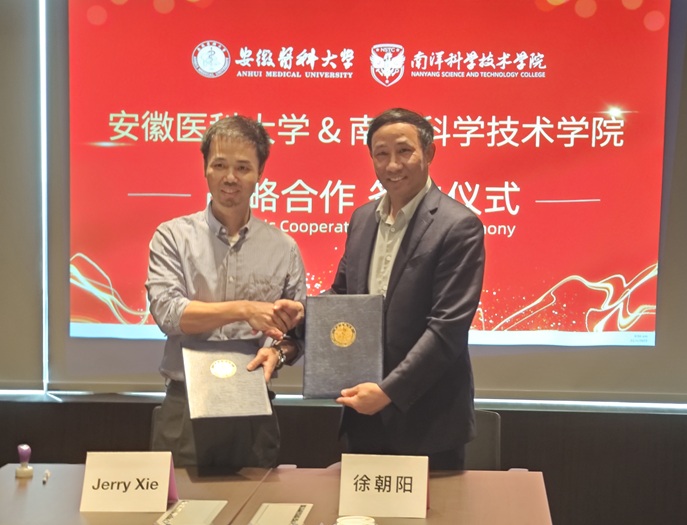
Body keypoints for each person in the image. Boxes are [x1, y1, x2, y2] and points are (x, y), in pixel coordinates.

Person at [146, 115, 306, 469]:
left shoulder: (283, 247)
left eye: (243, 167)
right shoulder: (172, 237)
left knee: (258, 503)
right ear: (205, 168)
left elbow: (296, 337)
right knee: (180, 505)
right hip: (186, 406)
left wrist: (279, 353)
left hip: (253, 406)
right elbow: (169, 314)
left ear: (260, 173)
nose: (230, 177)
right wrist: (245, 309)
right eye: (219, 165)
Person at [331, 107, 485, 470]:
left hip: (428, 421)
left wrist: (389, 392)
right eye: (381, 154)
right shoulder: (362, 219)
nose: (392, 165)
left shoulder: (459, 226)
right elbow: (342, 296)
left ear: (429, 153)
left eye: (404, 151)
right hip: (363, 412)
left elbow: (447, 329)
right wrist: (301, 315)